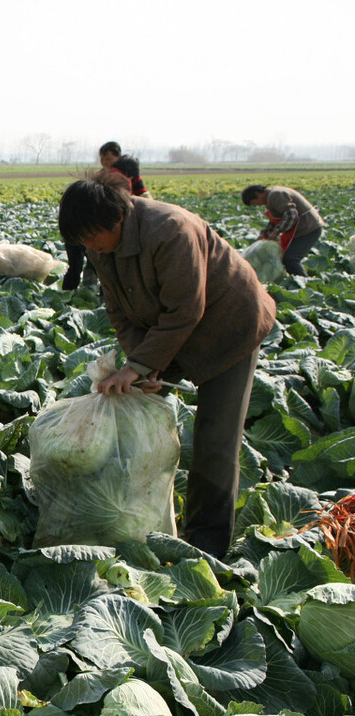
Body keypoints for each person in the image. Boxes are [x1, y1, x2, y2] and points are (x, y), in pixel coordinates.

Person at [58, 175, 276, 559]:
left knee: (215, 437)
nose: (90, 249)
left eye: (93, 238)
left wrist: (141, 365)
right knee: (142, 406)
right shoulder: (100, 247)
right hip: (174, 329)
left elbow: (186, 309)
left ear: (116, 221)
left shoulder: (170, 230)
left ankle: (207, 545)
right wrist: (142, 366)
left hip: (230, 326)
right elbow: (118, 311)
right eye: (83, 242)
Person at [63, 142, 148, 291]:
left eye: (109, 158)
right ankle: (91, 294)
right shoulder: (105, 179)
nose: (106, 162)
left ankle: (90, 293)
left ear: (118, 158)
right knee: (99, 265)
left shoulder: (121, 177)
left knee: (92, 265)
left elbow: (143, 198)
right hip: (94, 226)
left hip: (91, 227)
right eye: (103, 158)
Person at [242, 184, 325, 277]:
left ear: (257, 193)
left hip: (309, 228)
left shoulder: (276, 195)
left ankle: (304, 284)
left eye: (254, 202)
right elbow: (276, 220)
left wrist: (276, 231)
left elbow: (291, 215)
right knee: (286, 258)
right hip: (303, 229)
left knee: (291, 259)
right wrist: (265, 233)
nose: (257, 205)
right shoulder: (272, 197)